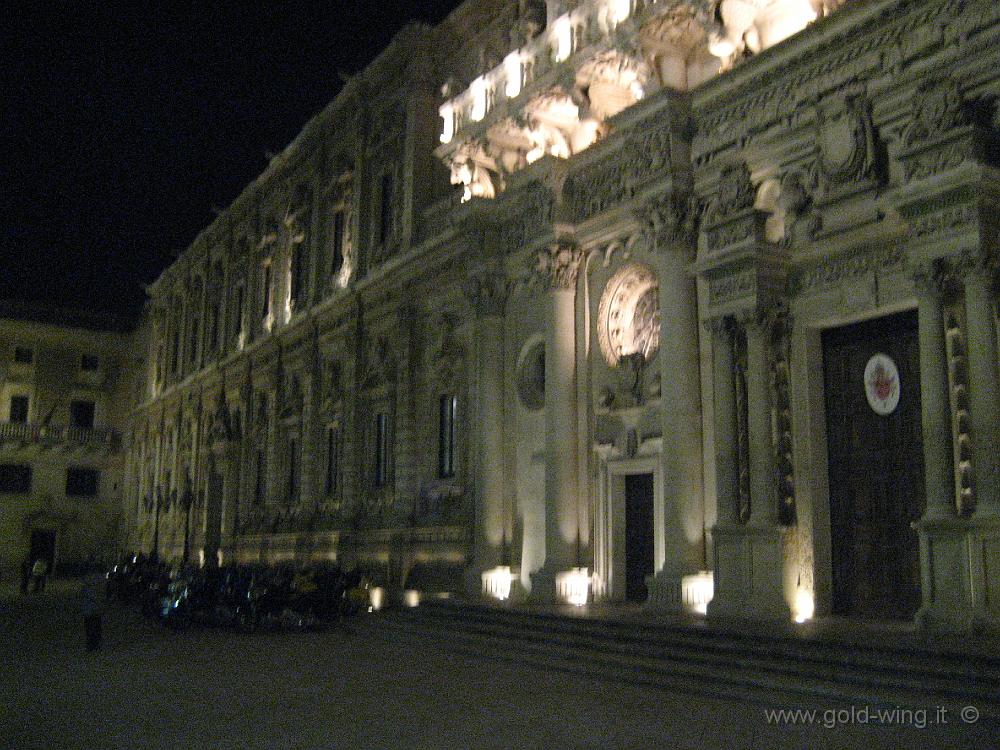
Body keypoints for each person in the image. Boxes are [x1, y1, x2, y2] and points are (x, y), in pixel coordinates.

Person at [81, 558, 105, 651]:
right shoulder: (101, 579)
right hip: (96, 605)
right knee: (96, 624)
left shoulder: (87, 579)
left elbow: (84, 591)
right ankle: (96, 642)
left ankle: (91, 643)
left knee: (90, 625)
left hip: (89, 605)